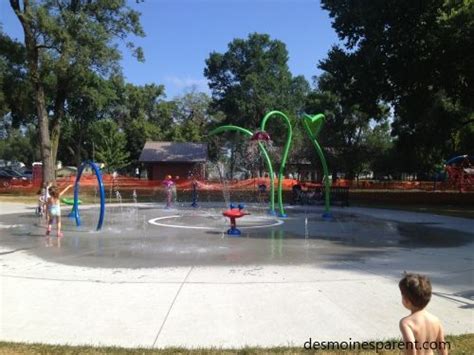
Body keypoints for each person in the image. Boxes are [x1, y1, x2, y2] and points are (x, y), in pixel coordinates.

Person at [399, 273, 448, 355]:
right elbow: (441, 345)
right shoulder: (435, 320)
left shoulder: (406, 323)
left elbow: (410, 346)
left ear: (406, 300)